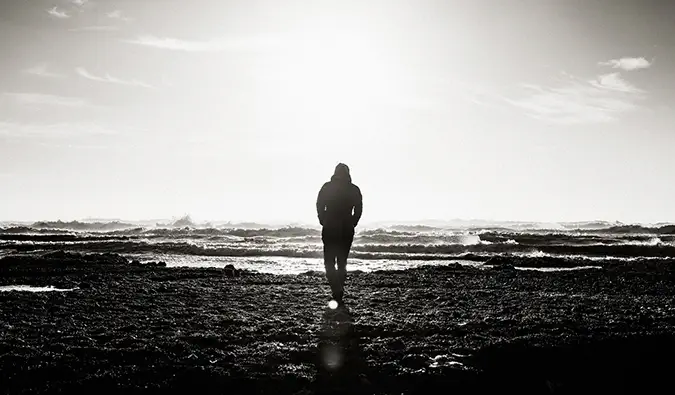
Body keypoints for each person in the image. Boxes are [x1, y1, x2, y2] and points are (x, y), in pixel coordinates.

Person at [316, 163, 363, 305]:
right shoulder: (353, 189)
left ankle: (336, 290)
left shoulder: (327, 187)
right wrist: (353, 221)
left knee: (329, 262)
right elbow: (359, 208)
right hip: (346, 227)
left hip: (330, 226)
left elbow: (319, 204)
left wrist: (323, 218)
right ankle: (339, 289)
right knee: (342, 262)